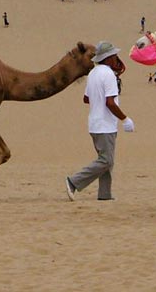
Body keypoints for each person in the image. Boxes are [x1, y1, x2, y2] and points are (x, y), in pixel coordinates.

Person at [65, 42, 134, 201]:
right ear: (108, 58)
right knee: (106, 160)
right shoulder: (108, 75)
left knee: (106, 160)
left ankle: (105, 194)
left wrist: (98, 99)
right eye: (114, 56)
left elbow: (86, 98)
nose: (116, 58)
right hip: (105, 124)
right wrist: (125, 119)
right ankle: (74, 182)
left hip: (95, 123)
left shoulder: (93, 73)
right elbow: (110, 102)